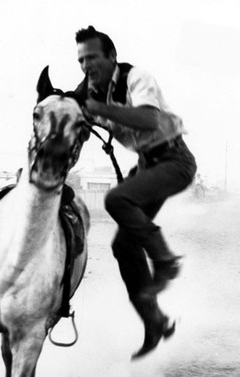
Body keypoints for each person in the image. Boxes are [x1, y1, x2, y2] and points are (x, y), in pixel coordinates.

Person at [74, 26, 197, 359]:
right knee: (123, 245)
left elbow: (147, 120)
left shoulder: (136, 77)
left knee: (116, 199)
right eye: (81, 60)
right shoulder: (89, 90)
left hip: (174, 160)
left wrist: (97, 109)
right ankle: (154, 322)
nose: (87, 66)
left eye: (93, 58)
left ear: (112, 57)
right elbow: (72, 112)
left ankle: (165, 260)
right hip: (147, 165)